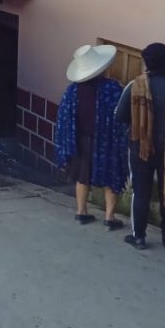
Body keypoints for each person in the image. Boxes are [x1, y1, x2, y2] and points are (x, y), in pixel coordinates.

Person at [115, 42, 165, 250]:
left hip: (140, 148)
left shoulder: (135, 86)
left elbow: (120, 116)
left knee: (141, 191)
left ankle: (138, 237)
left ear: (146, 62)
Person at [55, 45, 128, 229]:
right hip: (107, 142)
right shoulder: (112, 89)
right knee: (111, 177)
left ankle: (81, 212)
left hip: (79, 141)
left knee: (82, 176)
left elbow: (63, 119)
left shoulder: (72, 91)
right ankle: (110, 218)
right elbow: (122, 116)